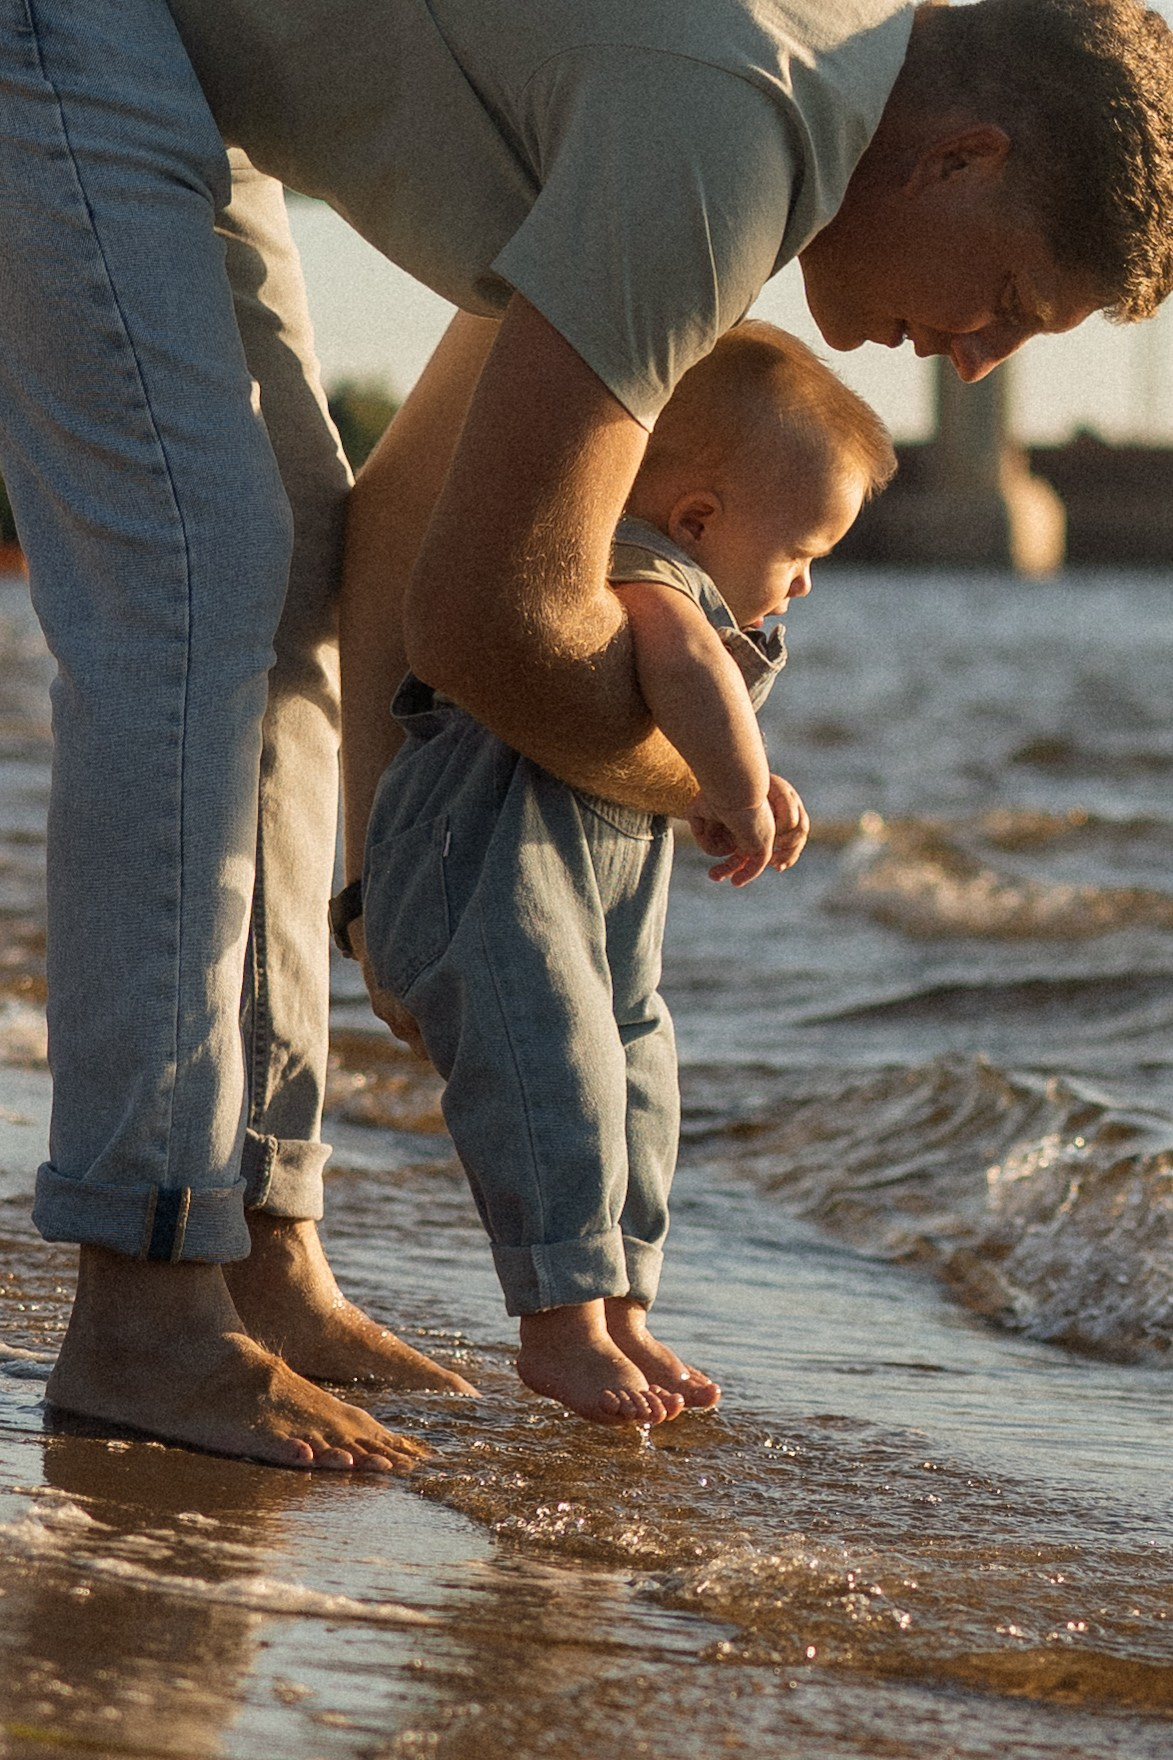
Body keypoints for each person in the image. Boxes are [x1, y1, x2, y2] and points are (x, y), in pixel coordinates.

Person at [2, 0, 1170, 1470]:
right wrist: (715, 781)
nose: (982, 362)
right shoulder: (734, 125)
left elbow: (409, 534)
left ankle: (259, 1252)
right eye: (1008, 296)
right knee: (194, 577)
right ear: (960, 158)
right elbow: (494, 619)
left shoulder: (749, 102)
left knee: (282, 559)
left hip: (175, 60)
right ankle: (141, 1305)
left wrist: (386, 894)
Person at [358, 323, 895, 1425]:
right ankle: (557, 1324)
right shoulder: (640, 565)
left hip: (579, 902)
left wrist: (732, 780)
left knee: (638, 1074)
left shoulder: (688, 580)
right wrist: (742, 782)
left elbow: (685, 712)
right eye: (802, 555)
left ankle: (619, 1305)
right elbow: (682, 650)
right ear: (699, 520)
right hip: (481, 872)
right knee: (556, 1072)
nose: (801, 586)